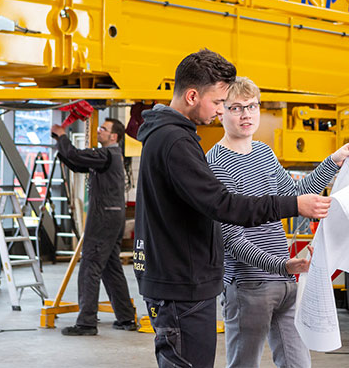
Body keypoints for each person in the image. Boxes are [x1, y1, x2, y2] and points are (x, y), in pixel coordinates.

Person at [133, 49, 331, 368]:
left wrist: (332, 164)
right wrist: (294, 206)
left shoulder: (175, 138)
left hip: (186, 282)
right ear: (193, 95)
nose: (222, 110)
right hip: (184, 284)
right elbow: (223, 207)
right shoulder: (176, 143)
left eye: (248, 106)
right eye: (221, 103)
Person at [206, 77, 349, 368]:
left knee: (298, 364)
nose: (246, 114)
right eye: (236, 108)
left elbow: (295, 194)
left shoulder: (263, 152)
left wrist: (334, 161)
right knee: (243, 365)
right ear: (220, 112)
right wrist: (282, 265)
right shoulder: (215, 164)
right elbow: (233, 240)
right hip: (249, 286)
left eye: (251, 106)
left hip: (286, 282)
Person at [51, 117, 137, 336]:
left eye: (103, 129)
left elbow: (75, 155)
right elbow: (77, 163)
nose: (99, 131)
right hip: (113, 216)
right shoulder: (111, 156)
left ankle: (87, 322)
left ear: (114, 136)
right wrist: (61, 146)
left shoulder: (107, 154)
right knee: (111, 268)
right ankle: (126, 317)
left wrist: (62, 136)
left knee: (90, 265)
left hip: (103, 218)